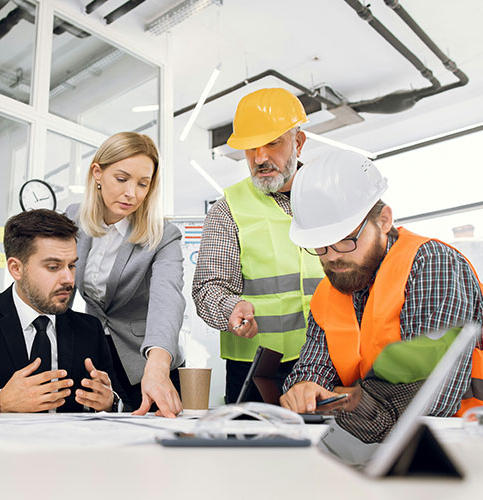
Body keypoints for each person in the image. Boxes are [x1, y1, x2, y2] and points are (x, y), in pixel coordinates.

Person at [280, 150, 483, 416]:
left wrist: (351, 398)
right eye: (319, 246)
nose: (332, 256)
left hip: (459, 440)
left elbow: (431, 394)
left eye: (345, 239)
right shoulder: (329, 291)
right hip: (372, 440)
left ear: (384, 220)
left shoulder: (433, 264)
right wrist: (304, 388)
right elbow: (314, 368)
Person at [192, 88, 324, 404]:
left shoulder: (331, 196)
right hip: (256, 372)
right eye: (251, 148)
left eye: (273, 142)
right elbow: (207, 289)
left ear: (299, 142)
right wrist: (230, 308)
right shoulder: (227, 209)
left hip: (329, 361)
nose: (260, 157)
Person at [0, 209, 121, 413]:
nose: (68, 279)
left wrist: (110, 402)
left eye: (72, 265)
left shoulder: (89, 329)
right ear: (16, 269)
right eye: (53, 267)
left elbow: (120, 401)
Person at [65, 132, 185, 418]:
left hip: (144, 360)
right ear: (98, 173)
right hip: (91, 357)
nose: (132, 193)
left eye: (143, 184)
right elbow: (61, 287)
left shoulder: (163, 236)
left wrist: (156, 367)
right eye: (122, 179)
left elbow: (167, 299)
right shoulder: (72, 218)